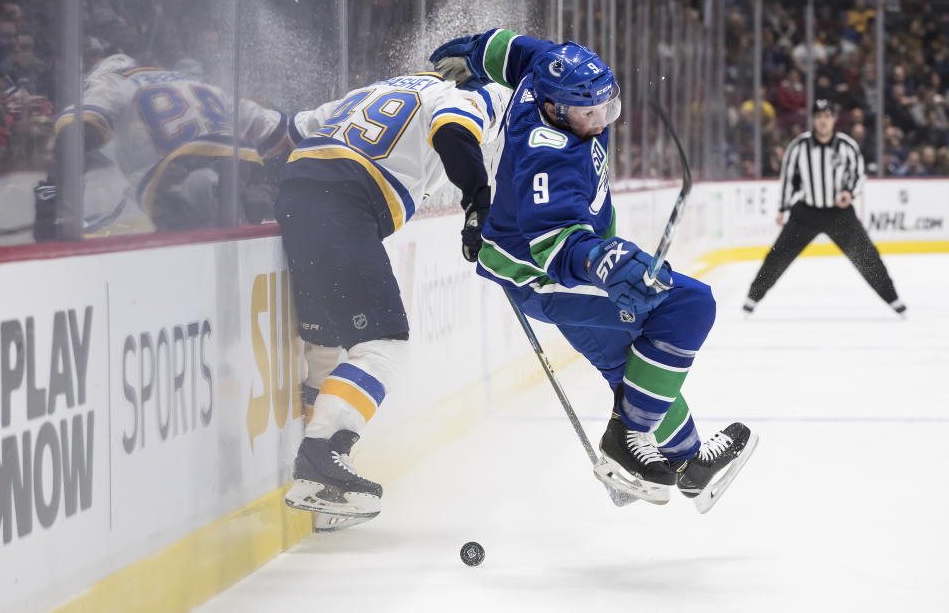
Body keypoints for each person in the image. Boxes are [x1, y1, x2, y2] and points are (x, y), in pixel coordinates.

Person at [429, 29, 757, 509]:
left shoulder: (548, 74)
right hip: (546, 276)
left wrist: (475, 51)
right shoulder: (548, 156)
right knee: (688, 305)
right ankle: (625, 444)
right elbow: (557, 247)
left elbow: (515, 50)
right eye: (588, 113)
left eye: (607, 106)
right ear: (554, 110)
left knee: (635, 371)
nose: (601, 119)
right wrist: (607, 265)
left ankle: (689, 468)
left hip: (538, 262)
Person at [279, 71, 506, 528]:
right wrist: (478, 201)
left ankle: (323, 498)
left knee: (326, 346)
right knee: (386, 342)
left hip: (296, 187)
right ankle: (321, 459)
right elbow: (454, 133)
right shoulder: (453, 96)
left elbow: (294, 128)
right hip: (343, 198)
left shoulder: (374, 90)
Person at [35, 54, 289, 238]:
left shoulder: (113, 81)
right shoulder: (196, 83)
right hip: (235, 162)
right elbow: (275, 128)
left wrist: (55, 195)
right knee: (235, 240)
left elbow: (79, 129)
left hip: (178, 169)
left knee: (172, 248)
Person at [743, 99, 905, 316]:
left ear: (834, 119)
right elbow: (788, 178)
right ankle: (752, 299)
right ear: (813, 119)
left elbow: (858, 176)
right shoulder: (799, 146)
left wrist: (849, 193)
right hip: (806, 212)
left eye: (827, 116)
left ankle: (893, 299)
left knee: (867, 257)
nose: (823, 121)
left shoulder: (847, 146)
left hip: (839, 213)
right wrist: (782, 208)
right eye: (819, 116)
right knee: (778, 256)